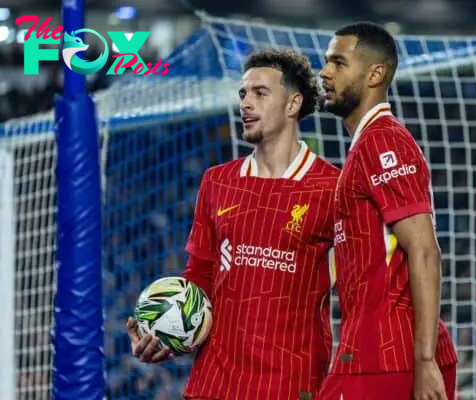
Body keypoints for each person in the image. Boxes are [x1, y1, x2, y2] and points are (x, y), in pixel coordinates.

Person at [126, 49, 340, 400]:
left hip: (290, 385)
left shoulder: (331, 187)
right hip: (214, 383)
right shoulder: (217, 181)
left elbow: (361, 286)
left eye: (260, 93)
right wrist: (166, 333)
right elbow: (200, 274)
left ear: (293, 104)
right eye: (243, 93)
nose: (246, 103)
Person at [318, 23, 458, 400]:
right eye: (326, 62)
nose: (325, 72)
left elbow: (425, 250)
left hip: (389, 354)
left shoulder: (383, 140)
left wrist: (425, 360)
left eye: (338, 63)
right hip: (367, 349)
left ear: (375, 74)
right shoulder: (367, 144)